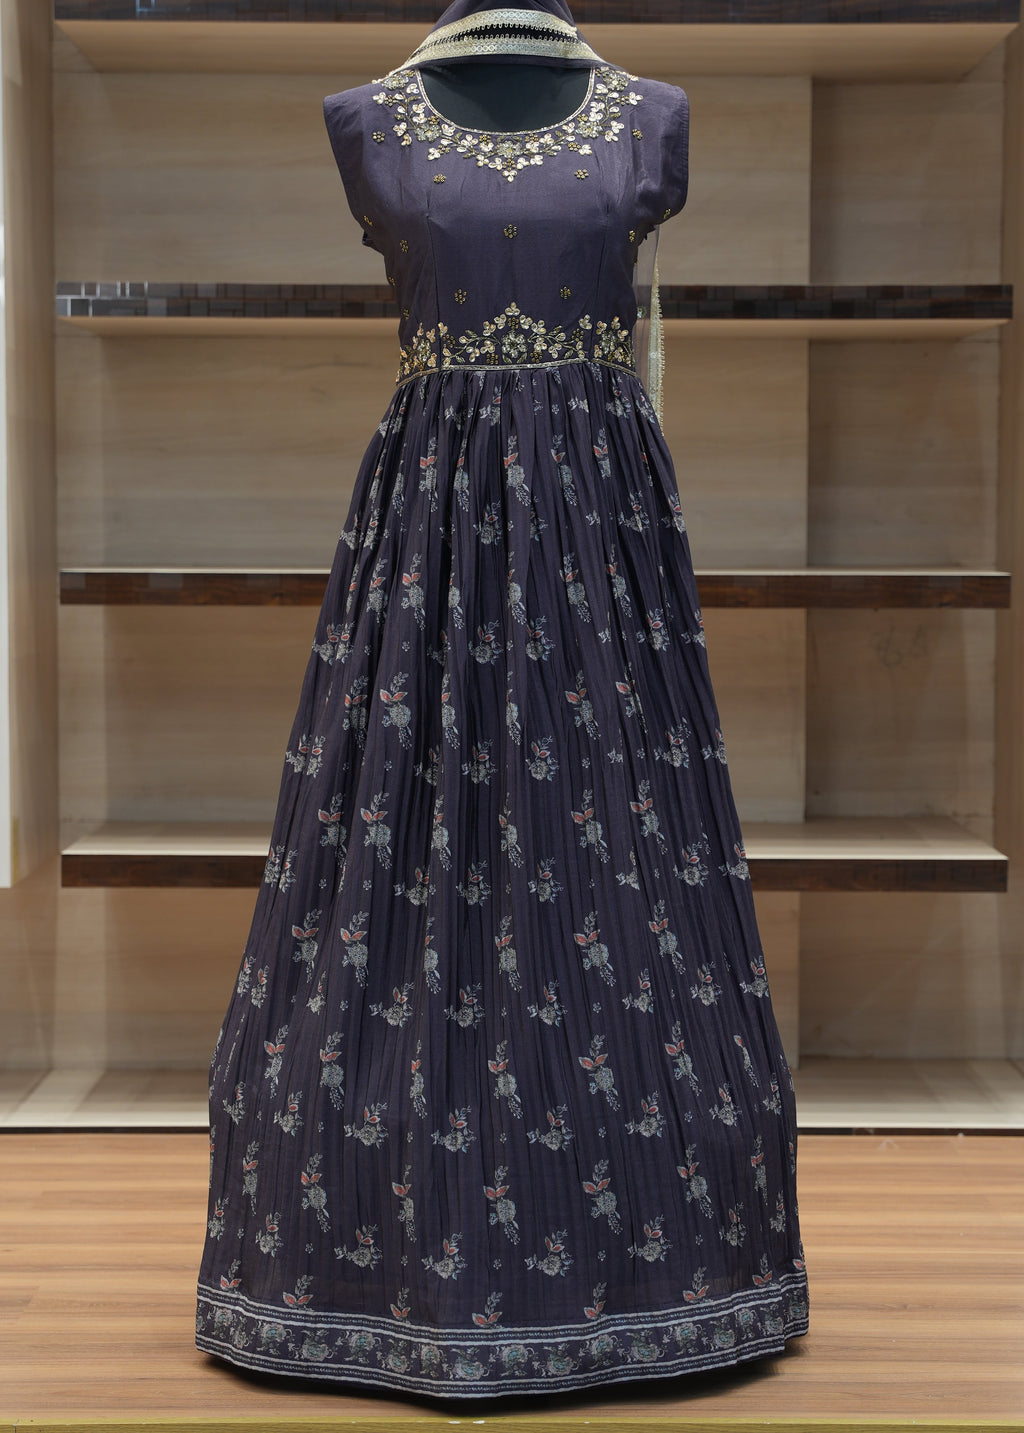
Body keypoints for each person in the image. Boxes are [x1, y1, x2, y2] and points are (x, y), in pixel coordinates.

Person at [194, 0, 809, 1399]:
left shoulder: (650, 116)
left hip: (601, 529)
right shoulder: (369, 120)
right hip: (432, 523)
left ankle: (665, 1247)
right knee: (405, 840)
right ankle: (367, 1248)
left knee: (615, 822)